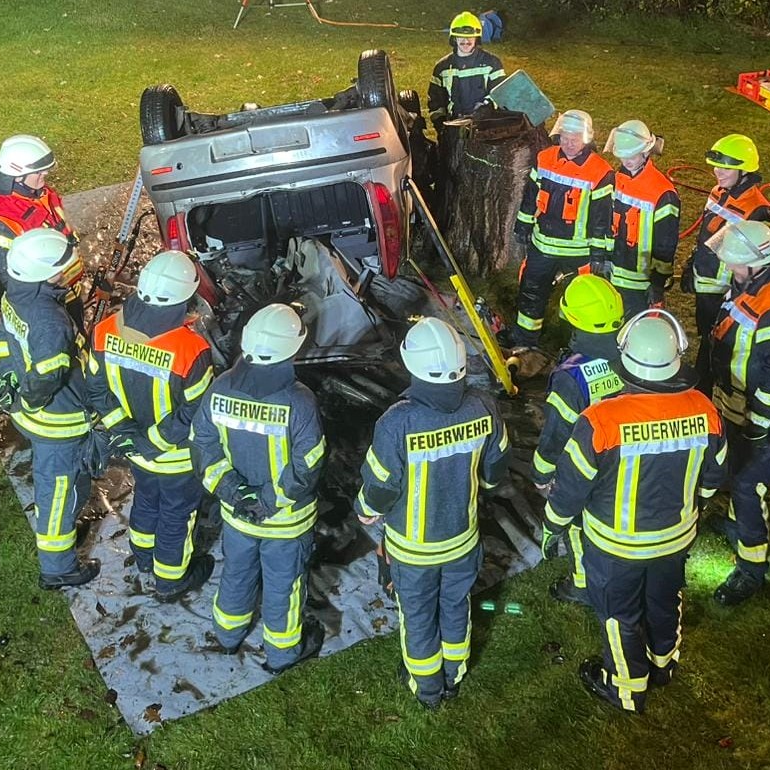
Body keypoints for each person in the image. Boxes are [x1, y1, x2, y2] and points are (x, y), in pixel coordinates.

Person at [543, 309, 726, 714]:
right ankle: (663, 666)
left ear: (623, 356)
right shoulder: (704, 408)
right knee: (664, 599)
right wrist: (698, 504)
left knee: (619, 614)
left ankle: (626, 689)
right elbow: (713, 476)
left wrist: (551, 526)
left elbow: (571, 488)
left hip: (615, 546)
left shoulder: (600, 420)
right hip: (677, 536)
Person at [357, 317, 509, 709]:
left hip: (412, 550)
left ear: (411, 363)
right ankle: (454, 677)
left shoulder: (396, 422)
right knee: (457, 605)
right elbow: (495, 470)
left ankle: (426, 688)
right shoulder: (483, 406)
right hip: (463, 541)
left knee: (419, 616)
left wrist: (366, 510)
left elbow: (382, 484)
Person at [191, 304, 327, 674]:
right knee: (285, 587)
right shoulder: (299, 402)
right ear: (292, 350)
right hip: (286, 522)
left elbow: (202, 445)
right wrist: (269, 500)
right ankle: (282, 654)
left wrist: (235, 492)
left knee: (235, 573)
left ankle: (226, 635)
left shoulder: (219, 389)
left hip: (237, 517)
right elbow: (308, 465)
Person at [86, 250, 215, 601]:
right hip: (175, 458)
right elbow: (195, 413)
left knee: (145, 499)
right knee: (177, 516)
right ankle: (171, 581)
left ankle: (143, 557)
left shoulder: (104, 330)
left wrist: (126, 433)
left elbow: (97, 389)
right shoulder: (192, 350)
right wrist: (152, 442)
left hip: (134, 452)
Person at [0, 228, 101, 589]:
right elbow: (47, 377)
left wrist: (6, 387)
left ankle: (60, 538)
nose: (68, 268)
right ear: (46, 272)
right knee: (60, 489)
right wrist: (31, 398)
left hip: (35, 417)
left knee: (61, 485)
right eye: (62, 265)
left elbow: (2, 342)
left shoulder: (16, 295)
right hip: (59, 422)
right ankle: (58, 567)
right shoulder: (49, 322)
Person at [705, 221, 770, 606]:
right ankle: (734, 526)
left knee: (749, 488)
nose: (729, 268)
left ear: (754, 263)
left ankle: (751, 567)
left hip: (761, 415)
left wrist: (759, 426)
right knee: (738, 476)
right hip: (740, 405)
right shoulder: (759, 282)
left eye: (733, 263)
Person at [530, 274, 625, 606]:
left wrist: (543, 475)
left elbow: (556, 434)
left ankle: (582, 585)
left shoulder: (571, 377)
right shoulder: (633, 354)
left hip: (587, 465)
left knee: (577, 523)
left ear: (573, 319)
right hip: (628, 458)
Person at [680, 134, 770, 389]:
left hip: (729, 294)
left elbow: (762, 266)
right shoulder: (718, 193)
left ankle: (709, 392)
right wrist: (693, 265)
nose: (718, 172)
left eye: (726, 167)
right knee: (707, 339)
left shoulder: (759, 212)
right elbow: (708, 234)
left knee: (719, 347)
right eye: (716, 165)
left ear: (744, 170)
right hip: (706, 286)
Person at [511, 109, 615, 349]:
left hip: (578, 252)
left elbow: (602, 218)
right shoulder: (545, 158)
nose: (568, 143)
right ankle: (524, 341)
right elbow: (531, 195)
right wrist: (523, 224)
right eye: (565, 137)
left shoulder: (600, 172)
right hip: (542, 244)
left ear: (587, 138)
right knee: (531, 292)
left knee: (578, 301)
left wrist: (599, 254)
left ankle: (573, 344)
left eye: (575, 138)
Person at [0, 134, 80, 317]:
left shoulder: (40, 193)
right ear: (17, 175)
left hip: (66, 294)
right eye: (39, 171)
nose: (45, 174)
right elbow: (11, 281)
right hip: (44, 308)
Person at [602, 120, 680, 313]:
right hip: (612, 272)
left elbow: (665, 245)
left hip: (639, 283)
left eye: (631, 155)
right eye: (622, 155)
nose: (626, 161)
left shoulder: (662, 192)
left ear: (646, 152)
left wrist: (658, 284)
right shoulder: (615, 180)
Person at [426, 11, 506, 127]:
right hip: (454, 124)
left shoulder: (492, 63)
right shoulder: (442, 68)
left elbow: (501, 93)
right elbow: (435, 100)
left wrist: (486, 106)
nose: (465, 41)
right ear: (454, 38)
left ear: (477, 38)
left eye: (470, 37)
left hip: (485, 125)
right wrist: (440, 124)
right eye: (461, 37)